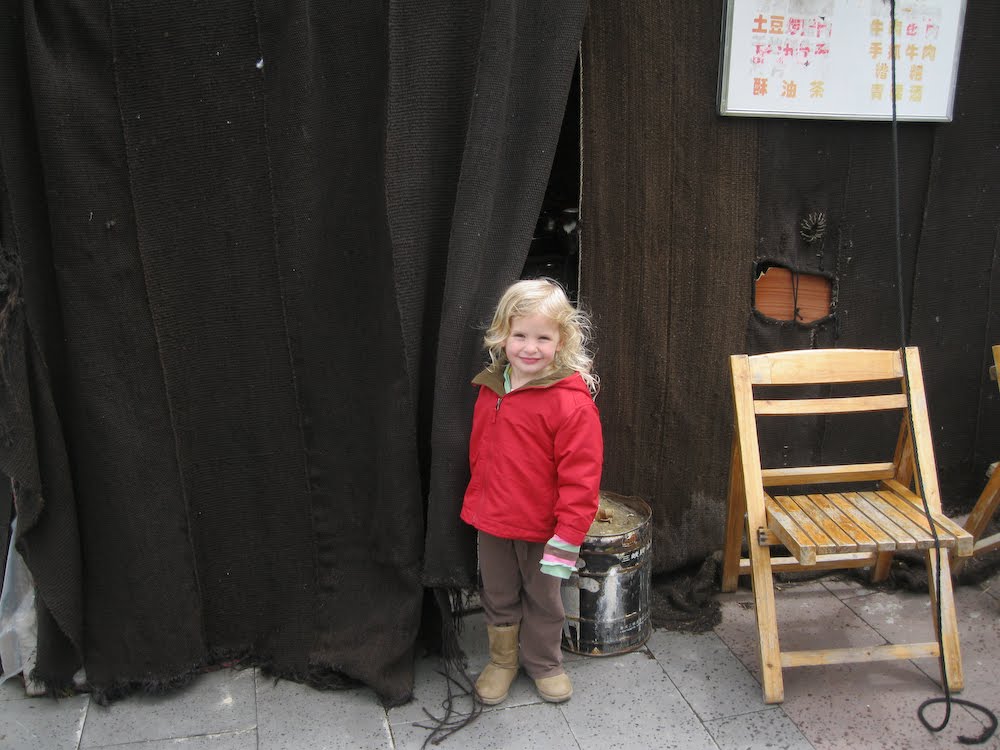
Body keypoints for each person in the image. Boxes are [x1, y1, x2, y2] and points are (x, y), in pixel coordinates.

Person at [460, 278, 603, 705]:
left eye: (543, 338)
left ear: (562, 340)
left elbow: (582, 479)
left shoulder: (571, 404)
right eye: (519, 335)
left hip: (545, 530)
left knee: (544, 599)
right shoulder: (491, 387)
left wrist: (568, 536)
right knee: (498, 593)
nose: (529, 347)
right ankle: (502, 661)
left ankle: (544, 663)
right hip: (493, 520)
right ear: (502, 334)